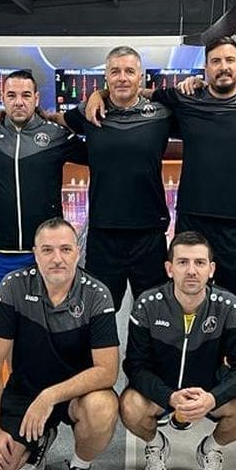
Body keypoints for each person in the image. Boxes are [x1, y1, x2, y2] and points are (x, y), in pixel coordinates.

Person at [83, 38, 236, 309]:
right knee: (185, 304)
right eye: (216, 61)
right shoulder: (184, 99)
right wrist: (98, 94)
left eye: (229, 60)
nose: (223, 67)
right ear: (205, 68)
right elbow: (133, 92)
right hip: (193, 221)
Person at [0, 217, 120, 470]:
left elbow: (107, 371)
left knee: (102, 407)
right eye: (48, 250)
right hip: (26, 390)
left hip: (75, 394)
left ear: (77, 252)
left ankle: (80, 468)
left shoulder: (96, 294)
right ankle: (39, 438)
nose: (57, 259)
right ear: (35, 253)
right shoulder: (13, 287)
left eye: (65, 249)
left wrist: (49, 396)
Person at [120, 231, 236, 470]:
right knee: (129, 406)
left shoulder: (229, 306)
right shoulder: (147, 305)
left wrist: (213, 398)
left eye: (199, 263)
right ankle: (156, 446)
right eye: (183, 262)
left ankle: (211, 449)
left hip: (208, 387)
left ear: (211, 269)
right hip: (163, 388)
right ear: (169, 268)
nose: (192, 271)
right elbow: (135, 366)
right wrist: (169, 396)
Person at [61, 46, 174, 307]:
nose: (122, 78)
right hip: (104, 233)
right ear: (106, 77)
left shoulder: (163, 113)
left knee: (154, 312)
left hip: (150, 232)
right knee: (100, 311)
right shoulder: (89, 113)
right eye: (115, 72)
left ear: (140, 77)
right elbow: (54, 120)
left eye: (129, 71)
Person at [0, 69, 88, 287]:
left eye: (26, 95)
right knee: (7, 306)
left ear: (36, 98)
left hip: (49, 248)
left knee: (53, 307)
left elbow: (99, 154)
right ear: (2, 98)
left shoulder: (57, 134)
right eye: (11, 95)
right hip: (4, 248)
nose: (19, 102)